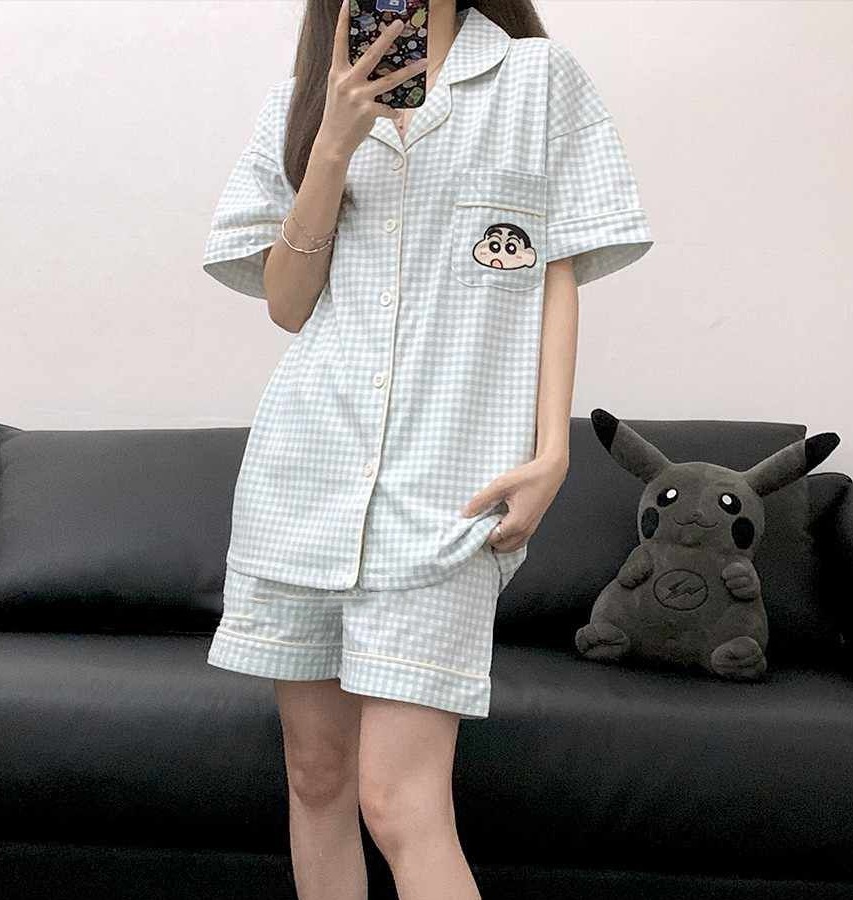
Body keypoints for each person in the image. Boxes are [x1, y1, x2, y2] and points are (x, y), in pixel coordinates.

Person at [203, 1, 654, 897]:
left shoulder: (536, 79)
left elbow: (555, 270)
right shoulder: (300, 104)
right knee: (317, 780)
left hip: (449, 489)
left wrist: (552, 451)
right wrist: (331, 145)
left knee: (401, 803)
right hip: (306, 477)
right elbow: (288, 306)